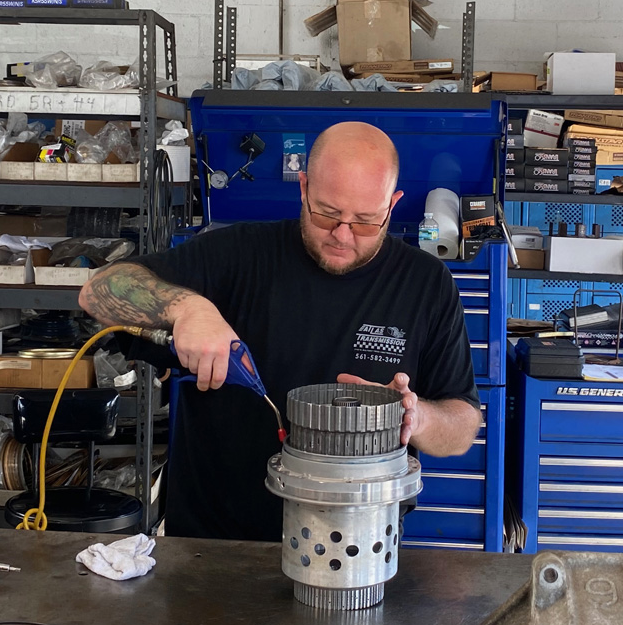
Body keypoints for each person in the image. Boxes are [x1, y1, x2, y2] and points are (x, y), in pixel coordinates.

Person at [79, 121, 483, 541]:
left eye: (365, 221)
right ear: (304, 188)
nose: (342, 235)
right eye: (327, 213)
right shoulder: (239, 256)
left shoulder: (426, 284)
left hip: (357, 549)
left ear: (393, 204)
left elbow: (462, 426)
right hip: (213, 550)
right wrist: (188, 309)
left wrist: (416, 418)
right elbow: (98, 290)